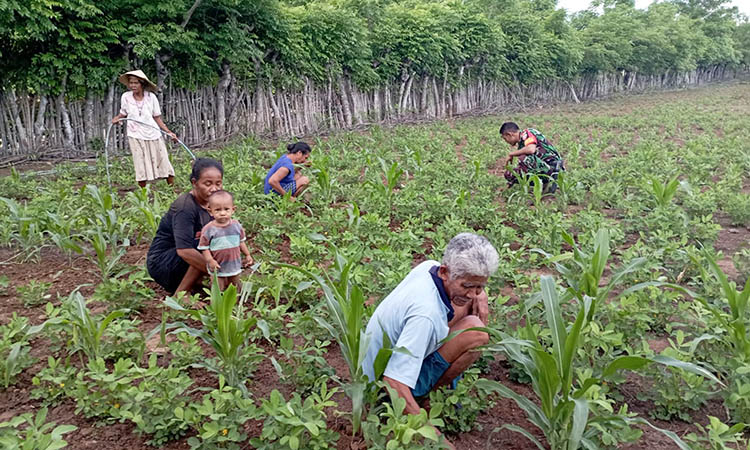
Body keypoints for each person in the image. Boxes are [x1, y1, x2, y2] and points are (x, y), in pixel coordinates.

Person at [362, 233, 498, 447]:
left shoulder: (430, 267)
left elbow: (467, 289)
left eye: (479, 286)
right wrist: (436, 440)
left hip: (382, 359)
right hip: (381, 386)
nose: (473, 293)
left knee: (466, 310)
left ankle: (428, 394)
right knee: (477, 334)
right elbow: (393, 382)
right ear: (445, 272)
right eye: (467, 286)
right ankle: (423, 401)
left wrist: (480, 294)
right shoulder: (425, 316)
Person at [147, 158, 223, 294]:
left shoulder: (215, 203)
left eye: (218, 184)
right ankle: (181, 293)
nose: (214, 189)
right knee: (203, 246)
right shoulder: (185, 207)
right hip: (163, 263)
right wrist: (219, 273)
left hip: (182, 258)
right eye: (208, 184)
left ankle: (195, 284)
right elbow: (184, 251)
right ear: (195, 183)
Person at [111, 69, 178, 188]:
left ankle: (171, 190)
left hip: (153, 134)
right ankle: (143, 196)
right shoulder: (126, 97)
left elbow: (157, 118)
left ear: (142, 84)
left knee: (163, 160)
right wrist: (116, 119)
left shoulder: (151, 97)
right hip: (135, 135)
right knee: (140, 163)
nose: (132, 85)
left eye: (136, 83)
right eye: (131, 83)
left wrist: (168, 132)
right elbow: (123, 114)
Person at [197, 190, 254, 290]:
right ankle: (218, 305)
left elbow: (241, 242)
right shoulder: (208, 229)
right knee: (218, 288)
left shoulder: (236, 226)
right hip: (217, 266)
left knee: (235, 287)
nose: (223, 213)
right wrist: (210, 261)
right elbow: (204, 248)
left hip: (234, 264)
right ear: (210, 211)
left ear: (233, 210)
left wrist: (248, 255)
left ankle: (234, 304)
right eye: (218, 210)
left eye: (226, 209)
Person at [499, 122, 564, 191]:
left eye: (505, 138)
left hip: (553, 166)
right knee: (509, 174)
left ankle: (548, 182)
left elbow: (531, 149)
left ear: (509, 134)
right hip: (542, 166)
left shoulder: (527, 133)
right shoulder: (522, 144)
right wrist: (508, 184)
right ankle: (542, 184)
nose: (506, 141)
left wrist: (511, 154)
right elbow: (522, 167)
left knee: (523, 158)